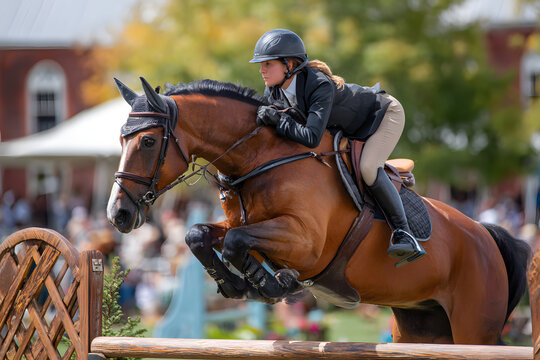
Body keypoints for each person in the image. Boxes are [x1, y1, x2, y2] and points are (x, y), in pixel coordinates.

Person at [250, 29, 425, 264]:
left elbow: (311, 136)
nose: (261, 70)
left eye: (267, 64)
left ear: (289, 64)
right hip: (349, 128)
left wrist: (279, 120)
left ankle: (404, 233)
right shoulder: (274, 89)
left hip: (383, 115)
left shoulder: (317, 84)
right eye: (261, 64)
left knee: (368, 168)